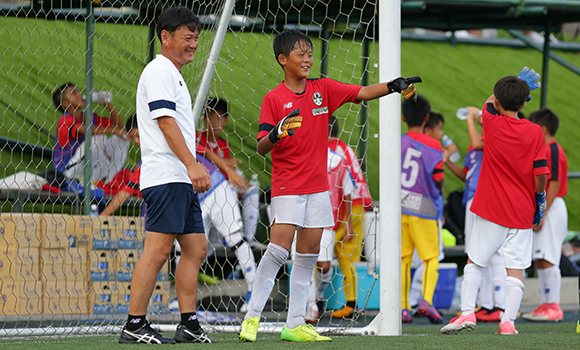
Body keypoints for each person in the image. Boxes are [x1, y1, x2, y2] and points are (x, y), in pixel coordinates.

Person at [238, 29, 420, 343]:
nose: (307, 58)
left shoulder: (323, 89)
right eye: (300, 53)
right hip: (288, 187)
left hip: (318, 189)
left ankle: (295, 324)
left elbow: (361, 92)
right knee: (279, 251)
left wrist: (391, 86)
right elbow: (261, 146)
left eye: (309, 53)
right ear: (283, 60)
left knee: (308, 255)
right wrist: (278, 132)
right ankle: (251, 318)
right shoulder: (274, 99)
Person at [118, 7, 215, 344]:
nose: (194, 45)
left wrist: (188, 168)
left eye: (196, 38)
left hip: (179, 178)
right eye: (188, 38)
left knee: (196, 248)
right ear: (166, 37)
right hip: (167, 176)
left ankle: (188, 324)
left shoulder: (171, 73)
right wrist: (192, 164)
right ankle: (134, 323)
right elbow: (165, 122)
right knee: (157, 251)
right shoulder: (159, 71)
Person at [441, 75, 548, 336]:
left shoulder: (490, 121)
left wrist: (516, 84)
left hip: (490, 207)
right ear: (524, 104)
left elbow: (489, 102)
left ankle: (467, 313)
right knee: (515, 268)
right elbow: (541, 172)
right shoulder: (535, 131)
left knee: (475, 261)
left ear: (498, 102)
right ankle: (508, 322)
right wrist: (540, 198)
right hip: (522, 210)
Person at [443, 109, 507, 323]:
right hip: (472, 198)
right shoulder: (476, 141)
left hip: (486, 198)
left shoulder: (494, 136)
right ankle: (487, 304)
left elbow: (480, 144)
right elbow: (466, 173)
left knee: (493, 253)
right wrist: (448, 162)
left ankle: (500, 304)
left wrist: (470, 118)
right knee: (477, 252)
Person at [304, 116, 356, 323]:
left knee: (324, 266)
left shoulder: (338, 161)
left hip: (328, 219)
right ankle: (310, 307)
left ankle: (318, 295)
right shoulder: (304, 156)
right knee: (306, 261)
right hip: (304, 219)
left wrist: (349, 223)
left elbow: (348, 193)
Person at [400, 96, 444, 325]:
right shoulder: (434, 145)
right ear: (427, 118)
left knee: (404, 258)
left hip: (400, 206)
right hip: (425, 207)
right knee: (430, 257)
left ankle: (404, 307)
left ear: (403, 117)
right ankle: (426, 300)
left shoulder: (398, 141)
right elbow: (438, 177)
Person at [522, 108, 568, 322]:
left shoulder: (553, 149)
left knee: (548, 257)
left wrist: (542, 211)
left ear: (543, 129)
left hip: (552, 204)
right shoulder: (546, 148)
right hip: (546, 205)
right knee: (540, 258)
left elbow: (555, 182)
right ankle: (546, 303)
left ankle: (554, 306)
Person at [326, 115, 373, 319]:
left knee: (343, 256)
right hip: (359, 203)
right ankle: (350, 302)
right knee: (347, 256)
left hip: (348, 206)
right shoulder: (345, 147)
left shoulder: (330, 150)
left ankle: (351, 303)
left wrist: (345, 221)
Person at [198, 97, 261, 244]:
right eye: (211, 118)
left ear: (225, 122)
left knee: (252, 190)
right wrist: (226, 163)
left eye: (219, 118)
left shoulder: (223, 145)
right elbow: (202, 159)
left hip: (224, 189)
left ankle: (248, 239)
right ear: (204, 120)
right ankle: (232, 236)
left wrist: (239, 180)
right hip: (205, 193)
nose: (215, 123)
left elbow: (226, 173)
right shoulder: (197, 139)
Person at [52, 82, 128, 183]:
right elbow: (86, 130)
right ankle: (83, 181)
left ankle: (109, 182)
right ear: (65, 104)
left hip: (90, 166)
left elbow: (119, 126)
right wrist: (113, 130)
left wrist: (107, 104)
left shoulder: (88, 117)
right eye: (74, 93)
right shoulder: (65, 120)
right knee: (99, 137)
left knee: (122, 139)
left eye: (78, 91)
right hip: (68, 170)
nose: (79, 94)